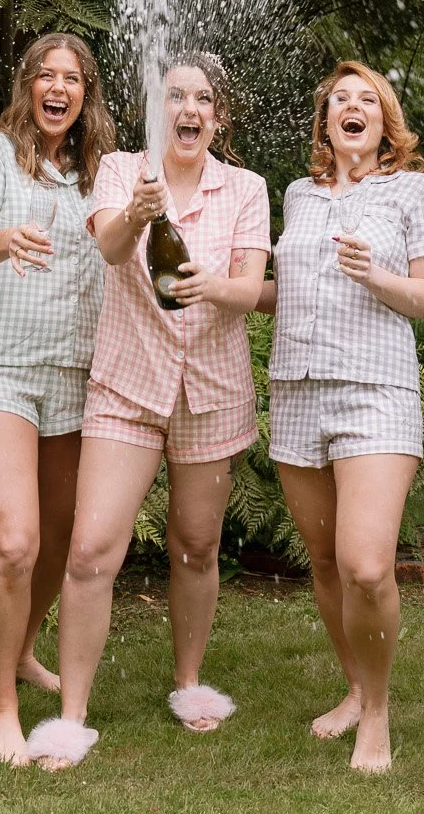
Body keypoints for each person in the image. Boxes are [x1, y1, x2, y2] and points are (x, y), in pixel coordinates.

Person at [28, 56, 271, 769]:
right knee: (89, 550)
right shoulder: (119, 173)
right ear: (156, 109)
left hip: (210, 391)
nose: (188, 109)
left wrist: (213, 286)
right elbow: (107, 249)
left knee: (195, 546)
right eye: (174, 97)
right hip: (127, 389)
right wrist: (136, 214)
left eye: (202, 99)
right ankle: (71, 718)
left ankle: (189, 684)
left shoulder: (247, 189)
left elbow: (252, 288)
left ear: (218, 118)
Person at [264, 62, 424, 773]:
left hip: (375, 389)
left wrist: (376, 275)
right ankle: (353, 688)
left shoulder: (411, 190)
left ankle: (376, 714)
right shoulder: (299, 194)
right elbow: (289, 290)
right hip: (297, 389)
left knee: (366, 565)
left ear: (383, 121)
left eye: (365, 99)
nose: (350, 106)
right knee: (324, 561)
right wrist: (222, 289)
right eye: (338, 99)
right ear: (325, 122)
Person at [0, 33, 115, 765]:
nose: (57, 87)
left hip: (73, 375)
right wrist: (3, 238)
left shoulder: (97, 176)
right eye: (44, 75)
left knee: (59, 543)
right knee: (12, 542)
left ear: (86, 93)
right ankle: (0, 708)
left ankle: (18, 648)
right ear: (26, 85)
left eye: (70, 78)